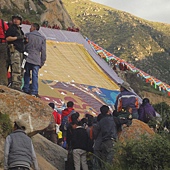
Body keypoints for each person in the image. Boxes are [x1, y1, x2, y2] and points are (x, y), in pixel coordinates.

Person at [22, 23, 46, 97]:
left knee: (27, 73)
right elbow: (43, 51)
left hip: (28, 57)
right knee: (35, 75)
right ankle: (34, 90)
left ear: (34, 27)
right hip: (37, 59)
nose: (30, 28)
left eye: (31, 27)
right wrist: (42, 62)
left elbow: (24, 47)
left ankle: (26, 88)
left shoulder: (27, 35)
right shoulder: (42, 38)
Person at [6, 14, 25, 91]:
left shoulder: (20, 30)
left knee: (20, 68)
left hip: (20, 50)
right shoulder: (12, 29)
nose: (16, 20)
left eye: (17, 19)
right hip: (14, 50)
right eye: (14, 19)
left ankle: (18, 83)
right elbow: (8, 38)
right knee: (16, 67)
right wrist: (17, 38)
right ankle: (15, 84)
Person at [0, 19, 9, 85]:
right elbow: (8, 31)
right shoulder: (2, 22)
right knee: (3, 64)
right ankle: (3, 82)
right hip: (3, 44)